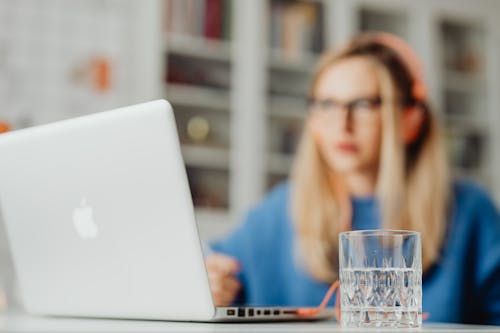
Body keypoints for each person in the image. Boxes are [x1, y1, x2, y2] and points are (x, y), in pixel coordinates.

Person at [205, 32, 500, 325]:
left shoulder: (470, 211)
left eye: (363, 105)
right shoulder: (280, 209)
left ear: (411, 119)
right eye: (327, 105)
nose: (342, 123)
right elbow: (213, 278)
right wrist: (211, 286)